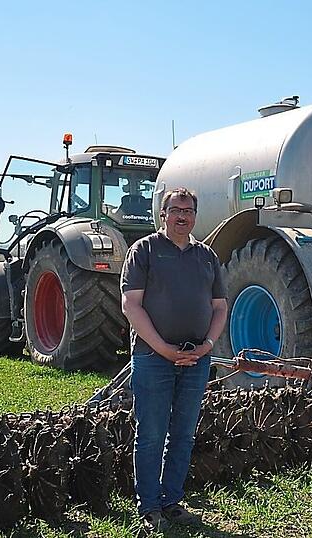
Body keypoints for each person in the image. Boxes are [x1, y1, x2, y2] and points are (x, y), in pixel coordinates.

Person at [120, 187, 228, 532]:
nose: (183, 216)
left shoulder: (207, 256)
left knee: (183, 433)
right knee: (151, 433)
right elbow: (131, 304)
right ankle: (149, 506)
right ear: (162, 214)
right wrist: (163, 349)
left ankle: (172, 501)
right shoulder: (145, 251)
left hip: (196, 358)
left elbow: (220, 307)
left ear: (195, 215)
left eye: (189, 210)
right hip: (153, 358)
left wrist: (208, 344)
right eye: (176, 210)